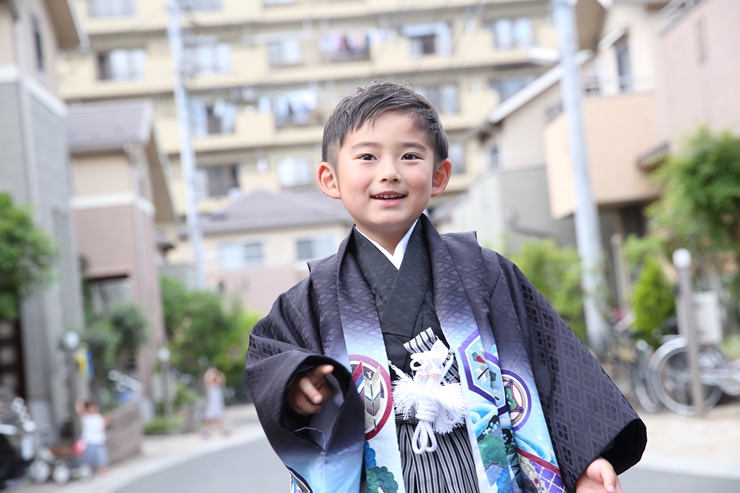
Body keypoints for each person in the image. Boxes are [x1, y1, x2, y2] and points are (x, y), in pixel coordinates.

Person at [245, 82, 646, 493]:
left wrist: (584, 458)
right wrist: (297, 388)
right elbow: (272, 359)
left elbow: (552, 370)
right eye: (367, 156)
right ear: (330, 179)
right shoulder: (310, 300)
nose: (390, 172)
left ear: (439, 176)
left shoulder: (486, 273)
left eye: (410, 156)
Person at [75, 399, 109, 474]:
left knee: (102, 459)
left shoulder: (98, 417)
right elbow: (79, 412)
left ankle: (102, 471)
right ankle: (87, 472)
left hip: (99, 441)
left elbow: (102, 426)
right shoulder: (86, 417)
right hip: (89, 442)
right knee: (87, 460)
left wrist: (107, 421)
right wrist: (80, 404)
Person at [201, 367, 227, 437]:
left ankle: (222, 430)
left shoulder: (218, 385)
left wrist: (216, 374)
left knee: (219, 418)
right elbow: (206, 379)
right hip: (211, 405)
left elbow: (221, 378)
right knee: (209, 419)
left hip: (218, 405)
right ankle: (205, 431)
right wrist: (210, 372)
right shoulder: (209, 386)